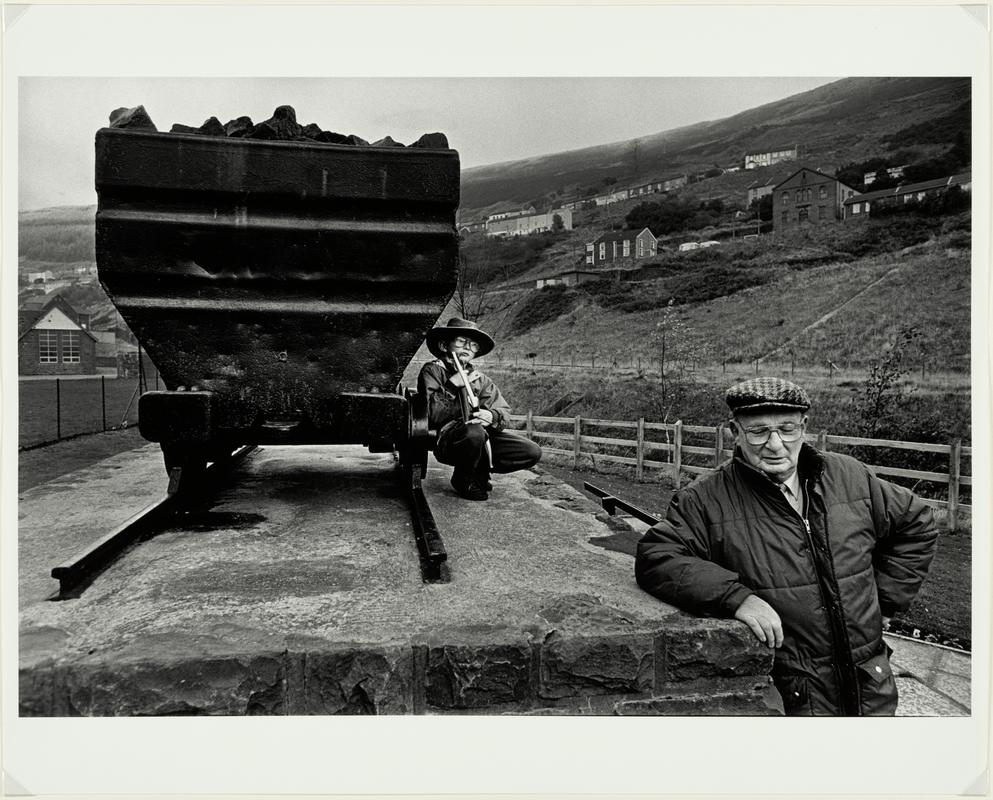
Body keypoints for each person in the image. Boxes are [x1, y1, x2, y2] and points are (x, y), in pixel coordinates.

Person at [635, 377, 937, 716]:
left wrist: (883, 601)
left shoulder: (850, 476)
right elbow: (657, 556)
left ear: (804, 427)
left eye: (787, 429)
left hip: (871, 688)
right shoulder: (705, 499)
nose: (775, 444)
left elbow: (917, 521)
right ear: (735, 432)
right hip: (794, 698)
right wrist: (736, 598)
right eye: (758, 431)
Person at [418, 317, 542, 501]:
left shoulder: (480, 379)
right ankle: (463, 478)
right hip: (449, 440)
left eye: (473, 345)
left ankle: (479, 470)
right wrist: (452, 386)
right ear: (445, 345)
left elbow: (503, 411)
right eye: (461, 341)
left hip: (481, 438)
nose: (468, 347)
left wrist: (490, 416)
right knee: (473, 433)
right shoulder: (433, 371)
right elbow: (431, 415)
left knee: (531, 451)